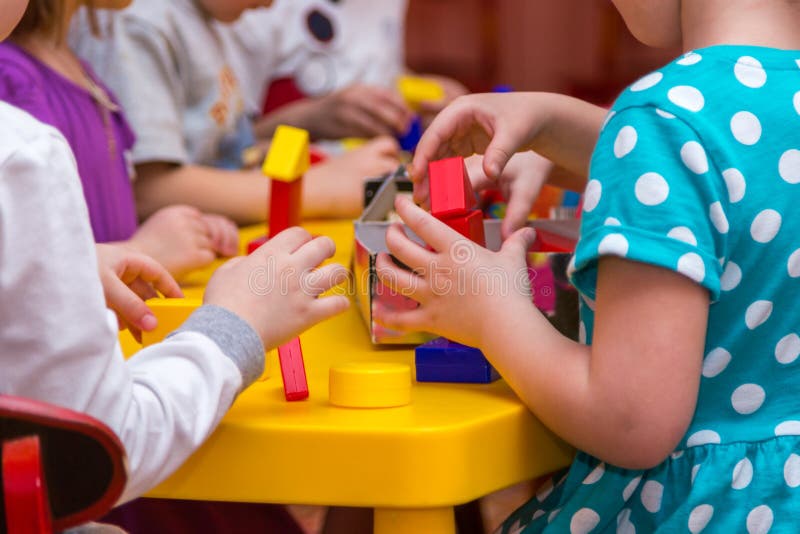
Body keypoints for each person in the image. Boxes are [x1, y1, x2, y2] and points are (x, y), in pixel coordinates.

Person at [375, 0, 800, 531]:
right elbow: (741, 171)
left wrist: (492, 313)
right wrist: (555, 124)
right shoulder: (706, 119)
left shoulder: (661, 123)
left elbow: (629, 420)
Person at [0, 0, 350, 518]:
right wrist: (237, 325)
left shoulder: (71, 79)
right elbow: (100, 450)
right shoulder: (21, 148)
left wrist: (75, 265)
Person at [72, 0, 400, 227]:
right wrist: (322, 189)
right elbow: (149, 190)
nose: (274, 6)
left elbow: (212, 147)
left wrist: (309, 121)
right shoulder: (140, 22)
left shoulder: (206, 18)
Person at [0, 0, 242, 281]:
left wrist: (185, 233)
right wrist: (143, 251)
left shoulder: (79, 70)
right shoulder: (13, 82)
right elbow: (27, 274)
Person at [231, 0, 469, 141]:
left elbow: (372, 66)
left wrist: (421, 95)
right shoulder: (243, 9)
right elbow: (222, 151)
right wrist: (310, 119)